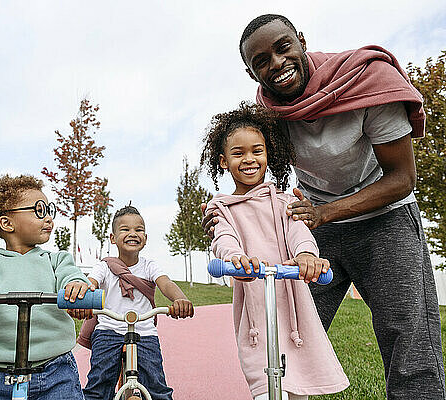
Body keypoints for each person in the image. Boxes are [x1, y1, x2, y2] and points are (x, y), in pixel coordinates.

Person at [205, 14, 445, 399]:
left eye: (284, 47)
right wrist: (227, 215)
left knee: (407, 338)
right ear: (253, 74)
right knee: (283, 327)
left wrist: (326, 213)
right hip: (313, 229)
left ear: (301, 40)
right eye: (262, 61)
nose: (277, 64)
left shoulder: (366, 81)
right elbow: (258, 180)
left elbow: (402, 179)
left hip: (386, 218)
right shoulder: (270, 116)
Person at [201, 102, 349, 399]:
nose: (249, 159)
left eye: (257, 151)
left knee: (297, 384)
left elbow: (299, 233)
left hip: (292, 305)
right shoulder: (221, 208)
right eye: (238, 153)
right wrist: (234, 259)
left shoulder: (282, 202)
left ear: (268, 155)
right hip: (257, 305)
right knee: (266, 384)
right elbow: (223, 237)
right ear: (222, 161)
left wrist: (307, 255)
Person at [0, 174, 92, 400]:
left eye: (49, 211)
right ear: (7, 223)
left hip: (56, 369)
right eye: (39, 210)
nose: (49, 219)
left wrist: (76, 286)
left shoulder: (57, 260)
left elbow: (71, 277)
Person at [73, 204, 194, 400]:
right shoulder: (104, 266)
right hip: (108, 330)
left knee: (157, 387)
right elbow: (91, 283)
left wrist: (180, 299)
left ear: (145, 239)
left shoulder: (149, 266)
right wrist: (83, 298)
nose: (133, 233)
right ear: (113, 238)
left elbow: (166, 283)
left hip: (144, 331)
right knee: (98, 386)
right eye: (125, 229)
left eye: (139, 230)